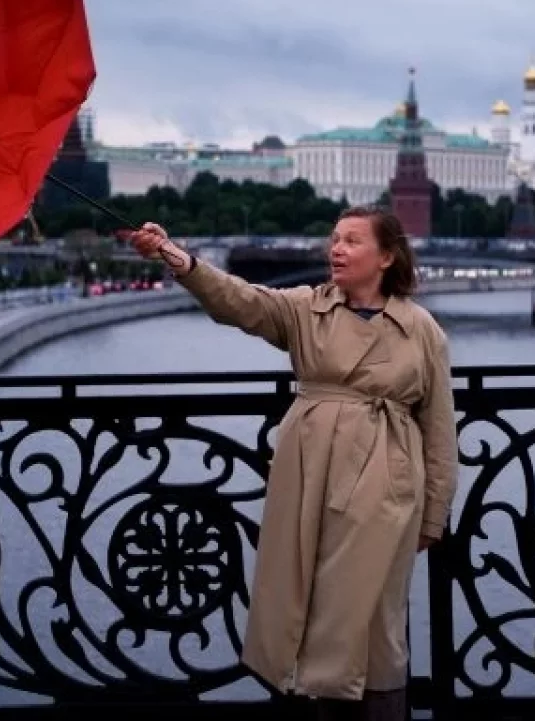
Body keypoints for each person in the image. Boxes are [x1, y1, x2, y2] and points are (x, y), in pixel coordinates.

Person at [127, 206, 459, 721]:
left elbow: (439, 429)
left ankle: (377, 710)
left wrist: (434, 514)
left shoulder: (421, 329)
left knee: (370, 612)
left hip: (384, 484)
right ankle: (314, 702)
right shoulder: (306, 308)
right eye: (334, 239)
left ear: (387, 256)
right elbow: (240, 301)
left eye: (351, 240)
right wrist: (179, 259)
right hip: (307, 473)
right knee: (304, 599)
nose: (337, 249)